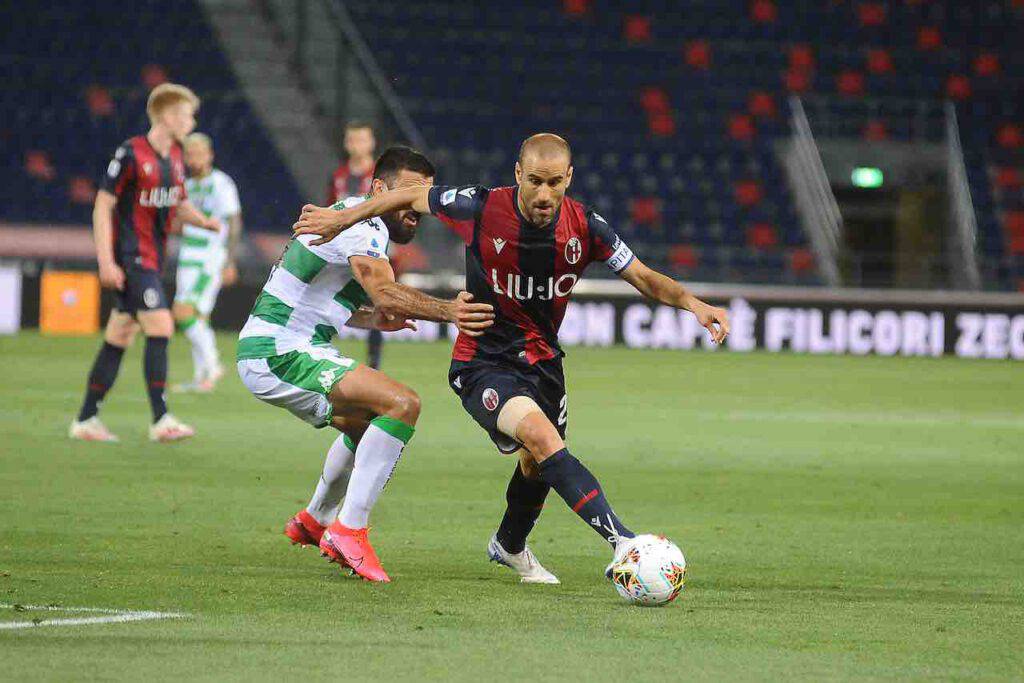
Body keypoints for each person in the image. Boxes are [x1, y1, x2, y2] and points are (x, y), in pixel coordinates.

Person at [293, 133, 730, 583]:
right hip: (482, 362)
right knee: (543, 441)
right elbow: (408, 194)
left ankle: (510, 544)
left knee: (536, 464)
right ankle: (625, 543)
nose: (544, 194)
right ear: (518, 174)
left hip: (543, 363)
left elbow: (643, 276)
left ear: (569, 179)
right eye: (535, 181)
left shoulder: (587, 228)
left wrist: (694, 304)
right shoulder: (481, 208)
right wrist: (339, 218)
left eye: (555, 183)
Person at [238, 146, 494, 582]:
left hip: (274, 345)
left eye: (424, 197)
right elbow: (384, 291)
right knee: (402, 404)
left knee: (366, 425)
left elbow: (316, 294)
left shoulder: (354, 218)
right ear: (380, 189)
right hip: (279, 350)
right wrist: (450, 311)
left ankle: (315, 520)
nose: (418, 207)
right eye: (410, 194)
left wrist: (372, 318)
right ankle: (348, 530)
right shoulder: (365, 222)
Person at [69, 83, 223, 443]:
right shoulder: (131, 153)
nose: (192, 121)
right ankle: (161, 419)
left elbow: (178, 203)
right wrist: (106, 260)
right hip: (131, 257)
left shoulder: (176, 158)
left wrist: (204, 222)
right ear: (168, 116)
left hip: (153, 257)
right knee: (161, 325)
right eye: (187, 114)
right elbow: (103, 205)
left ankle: (86, 418)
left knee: (120, 333)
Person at [171, 133, 243, 393]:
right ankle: (202, 376)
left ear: (210, 155)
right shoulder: (186, 185)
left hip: (209, 257)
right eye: (190, 154)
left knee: (184, 312)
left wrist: (230, 260)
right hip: (187, 255)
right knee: (197, 316)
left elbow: (234, 222)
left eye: (199, 153)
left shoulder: (221, 183)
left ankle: (212, 365)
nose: (194, 159)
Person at [326, 121, 389, 370]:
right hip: (341, 249)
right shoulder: (338, 176)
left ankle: (374, 362)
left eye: (361, 140)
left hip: (373, 246)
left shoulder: (380, 176)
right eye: (352, 140)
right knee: (334, 296)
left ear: (372, 143)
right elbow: (331, 209)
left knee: (377, 299)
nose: (356, 145)